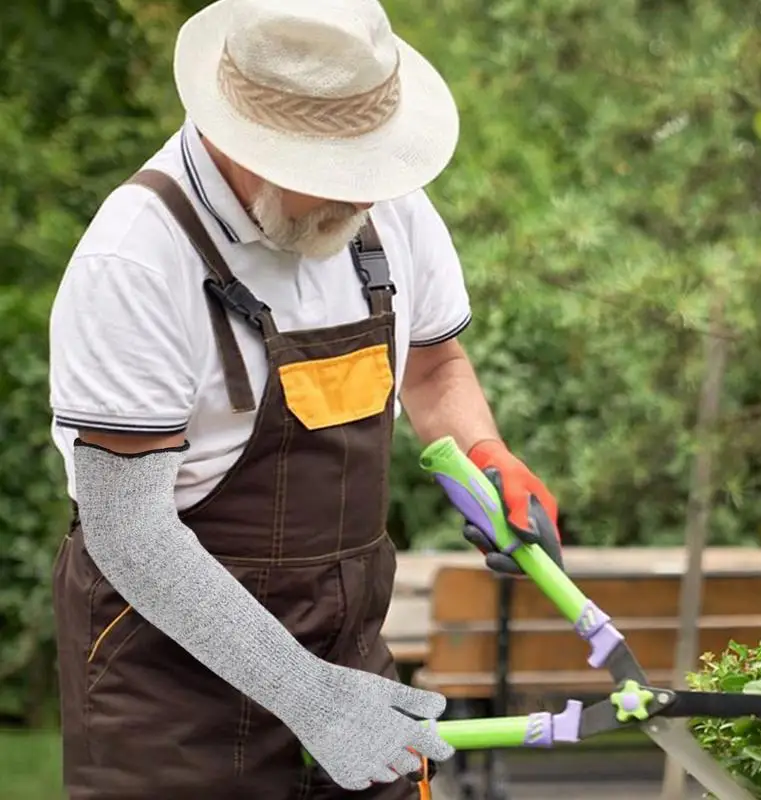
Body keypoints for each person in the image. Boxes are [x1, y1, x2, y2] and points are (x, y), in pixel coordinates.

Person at [47, 0, 564, 797]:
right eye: (333, 173)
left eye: (369, 168)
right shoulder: (138, 258)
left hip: (349, 656)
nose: (357, 197)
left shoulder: (385, 208)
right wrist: (309, 697)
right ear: (239, 135)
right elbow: (129, 530)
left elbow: (434, 367)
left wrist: (487, 457)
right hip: (168, 697)